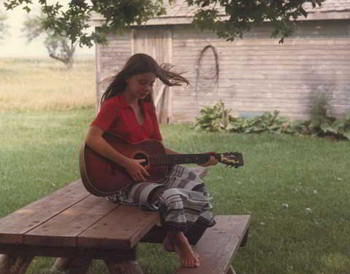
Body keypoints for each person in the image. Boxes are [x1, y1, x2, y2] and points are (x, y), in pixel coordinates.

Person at [84, 53, 217, 268]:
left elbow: (157, 149)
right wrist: (127, 163)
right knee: (172, 197)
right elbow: (91, 138)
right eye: (142, 82)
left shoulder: (147, 107)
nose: (146, 88)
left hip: (150, 173)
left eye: (151, 83)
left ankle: (173, 228)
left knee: (198, 186)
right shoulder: (113, 105)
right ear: (128, 78)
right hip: (120, 182)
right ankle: (179, 238)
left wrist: (198, 159)